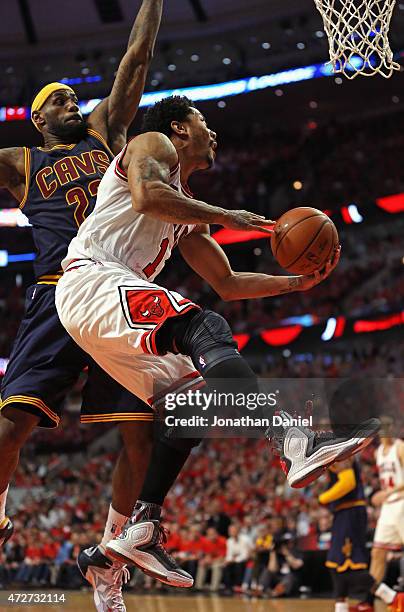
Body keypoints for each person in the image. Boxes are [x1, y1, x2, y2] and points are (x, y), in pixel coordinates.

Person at [54, 94, 380, 587]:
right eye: (203, 122)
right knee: (203, 328)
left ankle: (143, 525)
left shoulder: (183, 205)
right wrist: (231, 216)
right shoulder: (152, 143)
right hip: (92, 279)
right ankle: (292, 439)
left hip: (103, 303)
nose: (213, 132)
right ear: (180, 130)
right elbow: (145, 197)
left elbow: (226, 282)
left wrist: (298, 284)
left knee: (199, 401)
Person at [0, 2, 163, 609]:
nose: (73, 104)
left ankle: (109, 562)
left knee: (141, 439)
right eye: (59, 101)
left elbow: (135, 60)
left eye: (74, 97)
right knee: (10, 426)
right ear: (37, 117)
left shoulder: (104, 132)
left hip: (117, 287)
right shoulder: (21, 162)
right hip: (55, 292)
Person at [350, 422, 404, 611]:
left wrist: (387, 493)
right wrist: (381, 495)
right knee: (377, 553)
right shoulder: (378, 452)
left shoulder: (400, 447)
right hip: (389, 507)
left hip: (402, 502)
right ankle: (368, 600)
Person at [319, 458, 374, 612]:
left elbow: (348, 482)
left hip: (350, 512)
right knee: (335, 564)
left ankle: (391, 597)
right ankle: (340, 607)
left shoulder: (343, 452)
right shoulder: (334, 450)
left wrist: (323, 498)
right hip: (344, 512)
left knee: (349, 565)